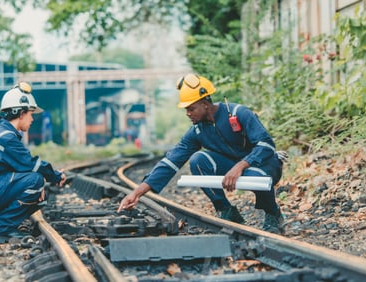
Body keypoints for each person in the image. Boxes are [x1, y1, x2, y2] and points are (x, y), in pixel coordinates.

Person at [117, 73, 285, 234]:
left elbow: (266, 145)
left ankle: (273, 214)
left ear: (205, 103)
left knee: (256, 175)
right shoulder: (197, 131)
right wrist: (136, 193)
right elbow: (170, 162)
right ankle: (226, 211)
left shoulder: (238, 113)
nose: (188, 114)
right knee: (198, 160)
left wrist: (241, 165)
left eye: (191, 109)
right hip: (232, 165)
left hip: (263, 164)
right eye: (186, 110)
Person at [0, 82, 66, 244]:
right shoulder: (6, 137)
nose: (32, 119)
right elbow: (31, 165)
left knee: (40, 194)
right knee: (35, 181)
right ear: (21, 113)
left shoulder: (2, 133)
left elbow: (20, 167)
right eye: (31, 114)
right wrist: (55, 176)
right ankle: (3, 231)